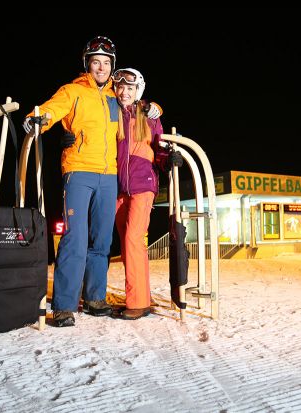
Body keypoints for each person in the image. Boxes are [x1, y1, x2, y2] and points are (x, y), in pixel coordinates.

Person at [23, 36, 161, 327]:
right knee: (75, 236)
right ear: (87, 64)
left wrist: (154, 107)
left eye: (106, 63)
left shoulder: (114, 94)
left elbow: (136, 100)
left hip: (109, 175)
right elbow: (50, 109)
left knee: (102, 240)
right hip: (79, 171)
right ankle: (64, 305)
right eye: (96, 62)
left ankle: (96, 297)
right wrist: (38, 120)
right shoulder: (73, 90)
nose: (101, 67)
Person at [112, 68, 181, 320]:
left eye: (129, 88)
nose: (124, 92)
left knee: (133, 239)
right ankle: (137, 297)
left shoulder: (148, 115)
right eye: (120, 87)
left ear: (137, 90)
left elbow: (160, 147)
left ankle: (140, 301)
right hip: (118, 187)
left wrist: (168, 158)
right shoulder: (112, 113)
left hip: (143, 185)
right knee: (125, 243)